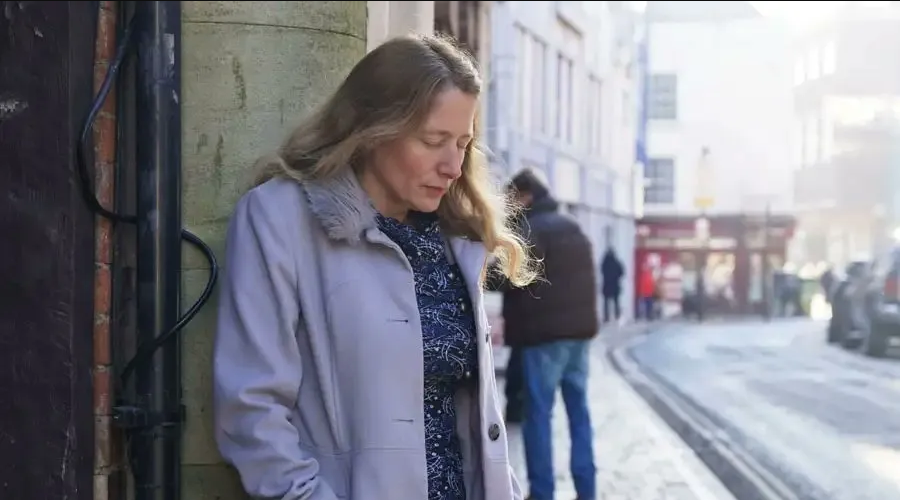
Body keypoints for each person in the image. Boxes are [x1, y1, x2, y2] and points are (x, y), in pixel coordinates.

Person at [212, 34, 537, 500]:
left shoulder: (455, 239)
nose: (452, 165)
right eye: (433, 140)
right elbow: (250, 411)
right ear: (373, 129)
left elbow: (476, 417)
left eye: (463, 143)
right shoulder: (278, 219)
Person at [488, 168, 599, 500]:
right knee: (579, 413)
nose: (509, 209)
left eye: (511, 201)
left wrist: (483, 267)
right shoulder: (572, 226)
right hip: (579, 337)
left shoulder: (530, 229)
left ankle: (542, 492)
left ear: (525, 196)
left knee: (538, 417)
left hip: (544, 338)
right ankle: (587, 489)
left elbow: (510, 277)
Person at [600, 247, 625, 324]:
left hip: (607, 284)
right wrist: (617, 277)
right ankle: (617, 315)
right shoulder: (616, 262)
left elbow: (601, 271)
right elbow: (622, 272)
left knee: (606, 302)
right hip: (615, 284)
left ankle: (606, 317)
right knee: (616, 301)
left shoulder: (605, 263)